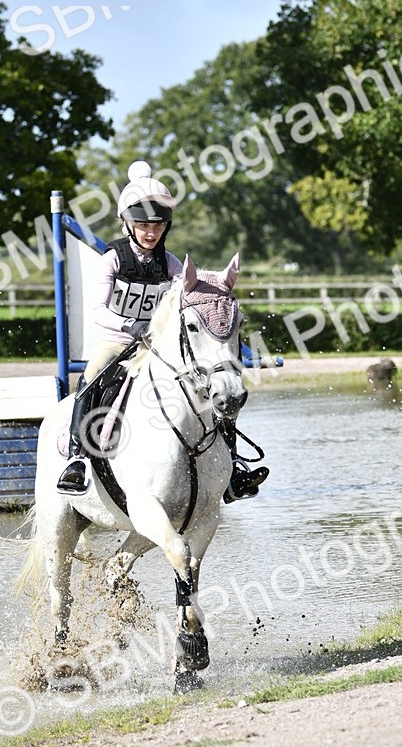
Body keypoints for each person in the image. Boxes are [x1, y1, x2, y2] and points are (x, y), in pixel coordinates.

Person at [56, 160, 269, 502]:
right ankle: (77, 459)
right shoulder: (112, 259)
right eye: (142, 225)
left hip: (156, 347)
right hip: (118, 340)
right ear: (128, 224)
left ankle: (231, 467)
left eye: (157, 225)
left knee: (209, 386)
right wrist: (130, 326)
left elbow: (191, 295)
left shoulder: (170, 263)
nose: (150, 232)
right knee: (92, 377)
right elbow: (97, 311)